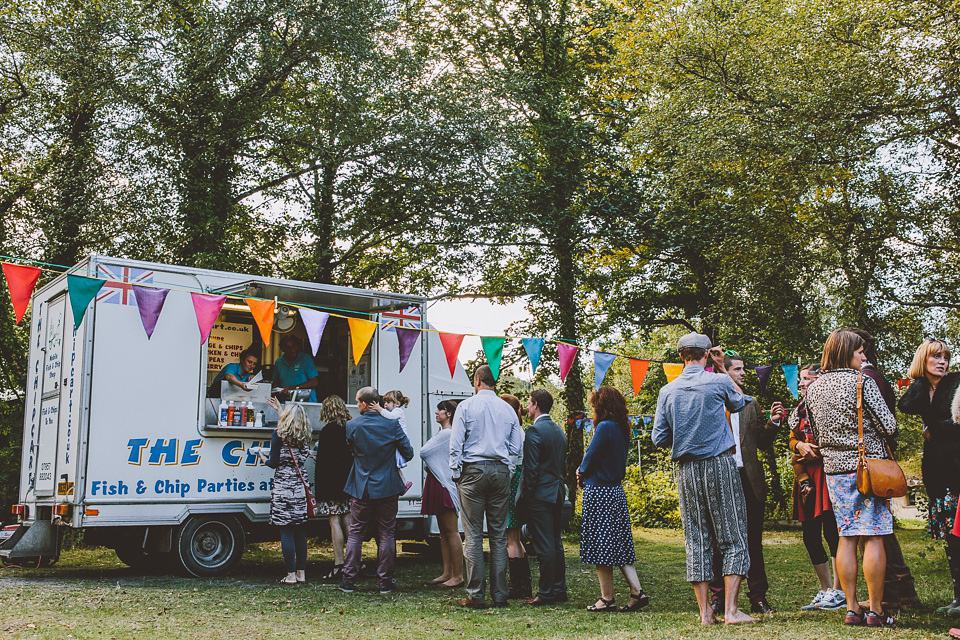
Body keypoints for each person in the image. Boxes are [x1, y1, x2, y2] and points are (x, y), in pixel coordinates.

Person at [652, 332, 755, 625]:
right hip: (719, 463)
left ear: (681, 355)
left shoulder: (667, 391)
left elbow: (659, 437)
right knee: (733, 534)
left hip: (686, 470)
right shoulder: (719, 381)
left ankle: (704, 613)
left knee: (696, 538)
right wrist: (723, 368)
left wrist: (684, 432)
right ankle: (732, 611)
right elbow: (740, 404)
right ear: (708, 353)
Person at [805, 329, 897, 627]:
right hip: (866, 470)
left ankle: (852, 607)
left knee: (846, 535)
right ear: (847, 352)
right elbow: (889, 425)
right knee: (872, 535)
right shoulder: (862, 382)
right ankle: (876, 610)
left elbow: (816, 435)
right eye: (860, 352)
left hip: (834, 471)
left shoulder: (814, 388)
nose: (864, 356)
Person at [707, 353, 785, 615]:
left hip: (748, 478)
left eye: (743, 369)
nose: (743, 373)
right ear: (724, 373)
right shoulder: (711, 403)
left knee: (753, 541)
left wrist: (773, 423)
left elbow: (762, 441)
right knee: (720, 542)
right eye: (737, 369)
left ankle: (758, 597)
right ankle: (719, 598)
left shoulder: (750, 403)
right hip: (720, 477)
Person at [851, 328, 921, 609]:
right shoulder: (873, 375)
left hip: (872, 461)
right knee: (878, 530)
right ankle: (902, 591)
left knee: (875, 530)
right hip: (876, 459)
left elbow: (885, 423)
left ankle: (895, 593)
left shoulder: (866, 379)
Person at [449, 365, 524, 609]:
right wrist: (508, 468)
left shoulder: (466, 406)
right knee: (499, 536)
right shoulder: (508, 409)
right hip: (500, 471)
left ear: (478, 381)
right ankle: (500, 594)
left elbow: (456, 442)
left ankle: (476, 594)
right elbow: (515, 447)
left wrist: (455, 472)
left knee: (472, 535)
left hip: (473, 470)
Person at [899, 338, 960, 616]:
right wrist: (922, 380)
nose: (942, 362)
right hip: (936, 472)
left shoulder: (957, 383)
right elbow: (905, 405)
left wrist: (933, 426)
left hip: (958, 469)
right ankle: (958, 597)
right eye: (935, 357)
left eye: (945, 357)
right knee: (951, 538)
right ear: (923, 361)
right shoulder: (922, 389)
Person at [578, 386, 649, 613]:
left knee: (601, 545)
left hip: (599, 491)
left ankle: (607, 598)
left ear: (602, 406)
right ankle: (637, 591)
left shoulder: (605, 427)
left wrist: (580, 471)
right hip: (615, 491)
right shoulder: (621, 427)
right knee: (619, 544)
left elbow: (590, 457)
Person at [339, 386, 414, 595]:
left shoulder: (352, 425)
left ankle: (349, 579)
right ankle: (385, 582)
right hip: (388, 486)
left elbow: (351, 449)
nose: (356, 405)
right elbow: (408, 453)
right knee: (387, 533)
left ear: (364, 403)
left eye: (357, 401)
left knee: (355, 533)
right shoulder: (392, 424)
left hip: (361, 485)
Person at [788, 365, 845, 612]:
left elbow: (839, 440)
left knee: (833, 533)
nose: (801, 384)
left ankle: (840, 591)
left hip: (826, 472)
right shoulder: (798, 410)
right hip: (805, 476)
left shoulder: (830, 408)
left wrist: (814, 452)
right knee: (810, 534)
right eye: (800, 380)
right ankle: (825, 588)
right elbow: (791, 438)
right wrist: (799, 445)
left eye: (805, 380)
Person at [518, 389, 568, 606]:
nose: (527, 408)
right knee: (555, 542)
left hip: (540, 495)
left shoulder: (534, 432)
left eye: (529, 403)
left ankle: (545, 592)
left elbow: (531, 471)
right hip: (556, 492)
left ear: (536, 404)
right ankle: (559, 588)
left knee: (544, 544)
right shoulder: (559, 431)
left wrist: (525, 499)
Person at [259, 396, 313, 584]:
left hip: (283, 485)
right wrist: (280, 409)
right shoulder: (304, 436)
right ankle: (301, 573)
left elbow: (274, 462)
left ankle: (290, 574)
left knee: (286, 531)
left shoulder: (278, 435)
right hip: (299, 485)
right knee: (299, 531)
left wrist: (262, 457)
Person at [419, 400, 464, 589]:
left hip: (444, 484)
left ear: (449, 414)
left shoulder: (447, 433)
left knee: (451, 531)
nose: (436, 413)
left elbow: (424, 451)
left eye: (440, 410)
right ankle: (447, 572)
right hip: (438, 482)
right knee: (443, 532)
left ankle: (458, 575)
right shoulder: (444, 433)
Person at [314, 395, 354, 583]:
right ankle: (356, 561)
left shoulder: (327, 431)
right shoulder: (350, 428)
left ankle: (339, 563)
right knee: (348, 520)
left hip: (331, 483)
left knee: (334, 522)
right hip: (348, 482)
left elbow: (324, 462)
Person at [501, 393, 531, 600]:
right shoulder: (519, 430)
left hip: (513, 481)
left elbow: (512, 461)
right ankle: (522, 583)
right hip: (518, 479)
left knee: (511, 536)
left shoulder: (514, 431)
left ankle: (516, 584)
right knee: (515, 537)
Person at [373, 390, 414, 495]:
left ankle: (404, 483)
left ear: (397, 404)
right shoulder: (393, 411)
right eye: (384, 402)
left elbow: (389, 417)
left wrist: (379, 409)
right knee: (395, 466)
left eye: (388, 402)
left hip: (400, 439)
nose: (385, 404)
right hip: (396, 440)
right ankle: (404, 482)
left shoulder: (398, 411)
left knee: (395, 464)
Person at [273, 335, 319, 402]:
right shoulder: (279, 362)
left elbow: (314, 382)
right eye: (288, 347)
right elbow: (275, 382)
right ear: (282, 349)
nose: (291, 350)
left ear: (297, 347)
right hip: (287, 403)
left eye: (293, 347)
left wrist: (293, 388)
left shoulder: (305, 359)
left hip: (306, 403)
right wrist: (278, 390)